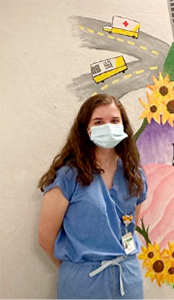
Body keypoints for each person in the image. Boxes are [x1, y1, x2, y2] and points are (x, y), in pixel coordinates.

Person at [37, 94, 147, 299]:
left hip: (127, 279)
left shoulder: (133, 175)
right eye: (98, 122)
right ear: (85, 129)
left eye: (115, 121)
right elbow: (45, 239)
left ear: (123, 125)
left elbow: (130, 226)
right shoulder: (68, 177)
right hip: (84, 284)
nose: (108, 126)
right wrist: (80, 267)